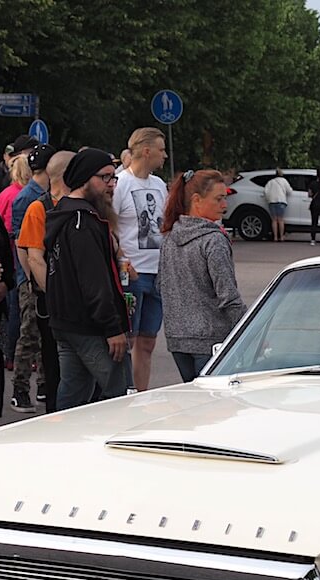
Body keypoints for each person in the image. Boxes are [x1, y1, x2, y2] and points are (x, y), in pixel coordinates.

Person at [44, 149, 130, 409]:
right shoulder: (82, 220)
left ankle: (66, 443)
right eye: (104, 178)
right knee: (118, 394)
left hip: (67, 322)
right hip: (88, 324)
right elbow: (93, 281)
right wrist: (113, 328)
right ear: (83, 178)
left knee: (73, 396)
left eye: (113, 178)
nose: (111, 185)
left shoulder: (66, 213)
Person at [158, 169, 246, 382]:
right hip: (211, 339)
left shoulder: (170, 237)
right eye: (219, 199)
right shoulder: (213, 241)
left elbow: (160, 284)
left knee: (193, 404)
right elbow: (228, 296)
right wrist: (250, 331)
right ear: (197, 200)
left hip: (177, 339)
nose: (225, 205)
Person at [114, 127, 169, 393]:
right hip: (131, 273)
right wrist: (122, 259)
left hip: (157, 272)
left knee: (148, 341)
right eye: (161, 149)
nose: (165, 155)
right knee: (129, 339)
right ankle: (124, 391)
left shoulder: (159, 185)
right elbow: (109, 227)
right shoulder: (120, 184)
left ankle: (142, 393)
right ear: (146, 151)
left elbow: (166, 225)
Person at [7, 143, 57, 411]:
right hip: (31, 278)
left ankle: (42, 386)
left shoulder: (43, 194)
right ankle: (20, 388)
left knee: (41, 335)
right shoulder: (29, 199)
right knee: (29, 334)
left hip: (38, 274)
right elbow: (21, 243)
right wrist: (30, 280)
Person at [263, 168, 291, 242]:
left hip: (272, 202)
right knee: (280, 219)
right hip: (281, 201)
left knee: (274, 219)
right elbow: (289, 191)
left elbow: (265, 191)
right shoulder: (284, 181)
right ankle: (281, 237)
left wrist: (268, 199)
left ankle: (275, 237)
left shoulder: (271, 182)